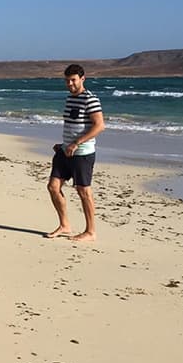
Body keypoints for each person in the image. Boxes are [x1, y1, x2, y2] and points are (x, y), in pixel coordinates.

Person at [46, 64, 106, 242]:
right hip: (65, 151)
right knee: (53, 187)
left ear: (82, 79)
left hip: (83, 153)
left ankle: (91, 231)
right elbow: (74, 125)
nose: (70, 84)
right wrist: (64, 144)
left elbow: (99, 126)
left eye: (73, 80)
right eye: (67, 80)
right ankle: (65, 225)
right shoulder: (70, 98)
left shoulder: (90, 99)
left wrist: (76, 143)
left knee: (83, 191)